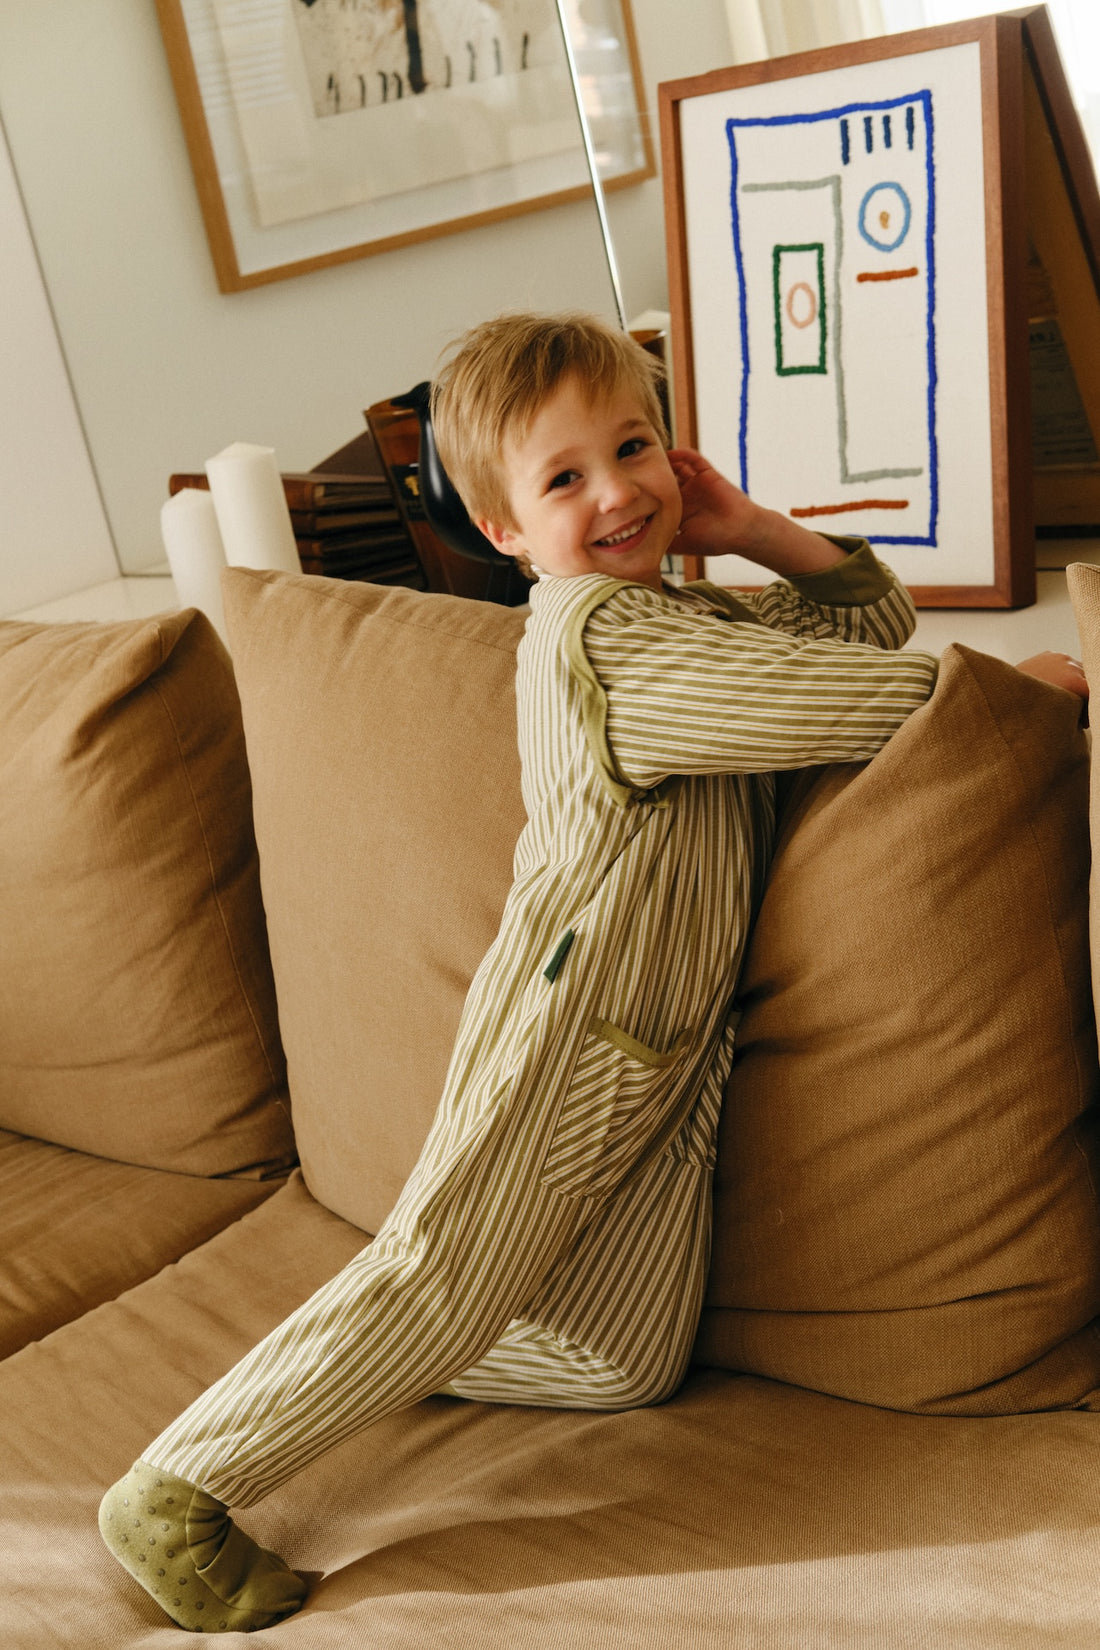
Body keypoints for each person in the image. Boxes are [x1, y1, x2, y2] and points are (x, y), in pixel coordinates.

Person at [99, 312, 1087, 1633]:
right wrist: (1014, 690)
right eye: (564, 478)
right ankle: (180, 1487)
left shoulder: (677, 610)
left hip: (654, 1048)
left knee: (625, 1353)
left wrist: (755, 531)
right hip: (573, 1030)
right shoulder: (611, 642)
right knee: (445, 1271)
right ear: (504, 529)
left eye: (632, 448)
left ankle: (396, 1347)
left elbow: (861, 630)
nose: (617, 492)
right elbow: (856, 703)